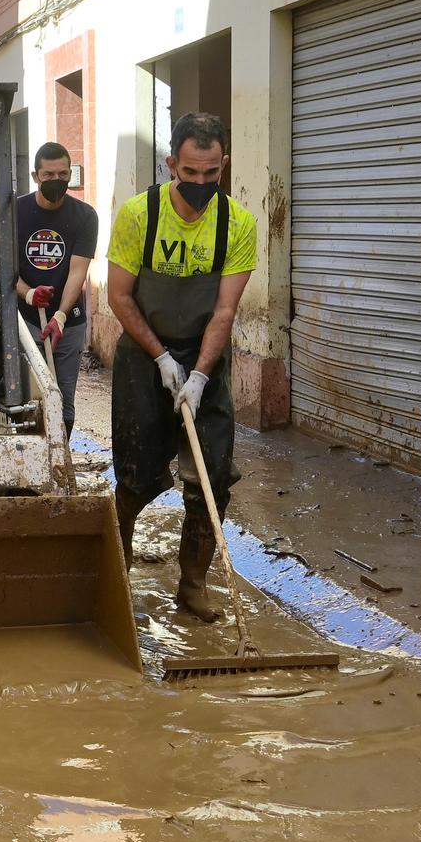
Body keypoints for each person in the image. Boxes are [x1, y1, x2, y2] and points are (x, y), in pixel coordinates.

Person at [107, 112, 257, 622]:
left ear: (223, 165)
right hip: (142, 354)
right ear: (172, 163)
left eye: (210, 174)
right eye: (189, 173)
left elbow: (224, 311)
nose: (199, 185)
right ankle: (115, 569)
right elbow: (120, 298)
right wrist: (162, 359)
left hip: (204, 357)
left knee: (212, 476)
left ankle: (192, 585)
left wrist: (197, 374)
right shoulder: (137, 215)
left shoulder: (237, 223)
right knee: (136, 474)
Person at [13, 141, 99, 433]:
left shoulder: (85, 217)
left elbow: (78, 272)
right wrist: (28, 293)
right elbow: (2, 267)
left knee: (63, 399)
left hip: (68, 322)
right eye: (49, 175)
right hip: (24, 321)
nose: (56, 181)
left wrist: (60, 315)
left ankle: (61, 465)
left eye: (63, 174)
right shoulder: (15, 212)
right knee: (27, 398)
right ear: (36, 176)